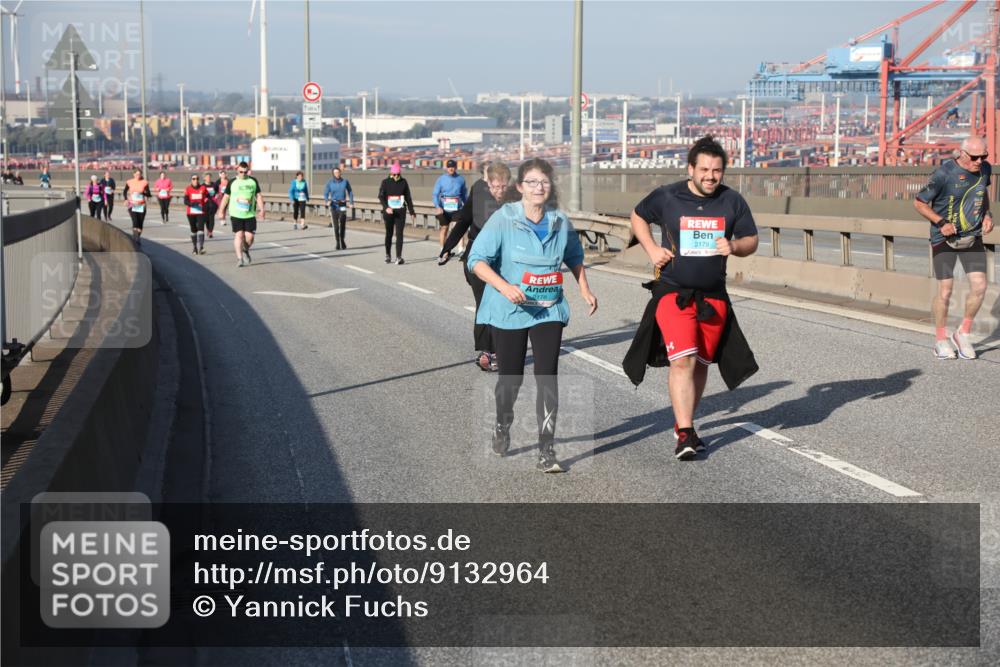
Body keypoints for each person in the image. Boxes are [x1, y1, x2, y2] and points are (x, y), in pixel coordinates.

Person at [623, 136, 760, 461]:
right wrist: (653, 249)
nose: (711, 176)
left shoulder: (732, 201)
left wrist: (735, 247)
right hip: (673, 291)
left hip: (714, 296)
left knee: (700, 361)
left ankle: (687, 424)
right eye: (704, 170)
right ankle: (684, 432)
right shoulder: (668, 196)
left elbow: (751, 239)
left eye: (717, 170)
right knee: (682, 360)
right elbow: (638, 216)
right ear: (691, 169)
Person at [468, 158, 598, 473]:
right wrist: (504, 286)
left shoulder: (559, 221)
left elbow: (574, 256)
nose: (539, 188)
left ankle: (546, 451)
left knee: (547, 376)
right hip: (510, 310)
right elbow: (477, 260)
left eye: (544, 182)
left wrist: (584, 289)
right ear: (520, 187)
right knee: (511, 378)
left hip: (548, 308)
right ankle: (502, 424)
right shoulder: (503, 219)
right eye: (532, 182)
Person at [913, 135, 993, 360]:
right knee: (946, 290)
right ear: (963, 154)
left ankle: (963, 333)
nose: (980, 160)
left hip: (972, 236)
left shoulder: (985, 169)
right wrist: (941, 222)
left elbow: (982, 193)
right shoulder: (943, 174)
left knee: (979, 287)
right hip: (943, 238)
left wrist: (987, 214)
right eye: (976, 157)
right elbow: (919, 202)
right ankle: (940, 339)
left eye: (984, 156)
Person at [439, 161, 513, 372]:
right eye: (490, 180)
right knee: (484, 304)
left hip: (503, 260)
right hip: (476, 259)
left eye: (500, 183)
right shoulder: (478, 190)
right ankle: (489, 351)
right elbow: (464, 220)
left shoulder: (513, 197)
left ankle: (502, 349)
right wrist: (447, 247)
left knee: (503, 305)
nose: (495, 186)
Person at [218, 161, 265, 268]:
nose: (243, 174)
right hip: (236, 213)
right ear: (237, 170)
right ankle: (240, 259)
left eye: (245, 172)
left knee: (250, 237)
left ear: (248, 171)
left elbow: (258, 196)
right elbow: (226, 197)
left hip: (249, 214)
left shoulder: (253, 181)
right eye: (241, 172)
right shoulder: (232, 182)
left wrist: (262, 209)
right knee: (239, 235)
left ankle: (245, 250)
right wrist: (221, 210)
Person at [377, 162, 415, 264]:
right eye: (394, 174)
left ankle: (399, 257)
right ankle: (388, 255)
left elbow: (408, 198)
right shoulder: (385, 182)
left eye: (398, 174)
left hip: (400, 211)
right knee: (389, 233)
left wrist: (412, 212)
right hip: (389, 212)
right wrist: (386, 207)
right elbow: (380, 196)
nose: (396, 176)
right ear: (391, 173)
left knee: (399, 234)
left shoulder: (403, 182)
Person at [432, 159, 468, 255]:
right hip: (444, 209)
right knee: (444, 228)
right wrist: (437, 206)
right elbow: (435, 194)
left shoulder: (461, 179)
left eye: (452, 167)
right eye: (449, 167)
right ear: (446, 168)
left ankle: (461, 250)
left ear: (455, 168)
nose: (451, 169)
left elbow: (464, 195)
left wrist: (467, 206)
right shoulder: (441, 179)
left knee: (459, 228)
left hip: (457, 208)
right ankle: (443, 249)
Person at [323, 167, 354, 250]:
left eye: (338, 172)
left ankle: (342, 240)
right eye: (335, 172)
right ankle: (337, 242)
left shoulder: (345, 182)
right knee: (336, 227)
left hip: (342, 205)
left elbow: (350, 192)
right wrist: (327, 201)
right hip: (333, 205)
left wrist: (351, 203)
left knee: (343, 225)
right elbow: (325, 193)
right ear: (333, 174)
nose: (337, 174)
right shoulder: (330, 183)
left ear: (340, 173)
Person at [122, 169, 151, 246]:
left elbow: (149, 194)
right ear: (133, 174)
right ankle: (136, 240)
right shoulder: (129, 182)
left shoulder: (144, 182)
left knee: (140, 224)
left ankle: (137, 237)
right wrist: (125, 199)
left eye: (139, 174)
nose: (138, 175)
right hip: (132, 204)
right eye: (137, 174)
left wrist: (144, 193)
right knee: (135, 221)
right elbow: (124, 191)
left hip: (141, 205)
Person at [184, 173, 210, 255]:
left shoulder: (203, 188)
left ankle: (201, 247)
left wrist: (206, 203)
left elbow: (207, 197)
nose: (195, 180)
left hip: (201, 212)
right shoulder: (188, 189)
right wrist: (193, 204)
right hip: (191, 213)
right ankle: (195, 247)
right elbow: (185, 201)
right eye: (193, 179)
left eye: (197, 179)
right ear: (191, 180)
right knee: (193, 230)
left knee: (201, 229)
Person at [202, 171, 218, 238]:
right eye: (207, 177)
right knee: (206, 219)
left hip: (213, 204)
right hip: (205, 205)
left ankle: (210, 232)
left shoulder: (214, 185)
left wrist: (217, 195)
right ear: (204, 178)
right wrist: (204, 198)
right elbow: (200, 194)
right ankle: (208, 230)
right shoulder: (202, 186)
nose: (208, 178)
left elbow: (218, 191)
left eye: (209, 177)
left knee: (212, 218)